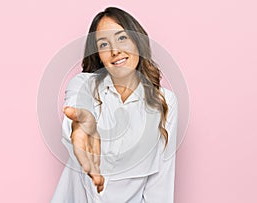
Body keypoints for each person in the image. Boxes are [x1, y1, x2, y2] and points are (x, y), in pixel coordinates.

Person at [51, 7, 178, 203]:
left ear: (138, 42)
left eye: (121, 38)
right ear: (98, 55)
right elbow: (75, 120)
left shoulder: (165, 102)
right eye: (103, 44)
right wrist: (81, 128)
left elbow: (161, 184)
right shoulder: (84, 85)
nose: (115, 51)